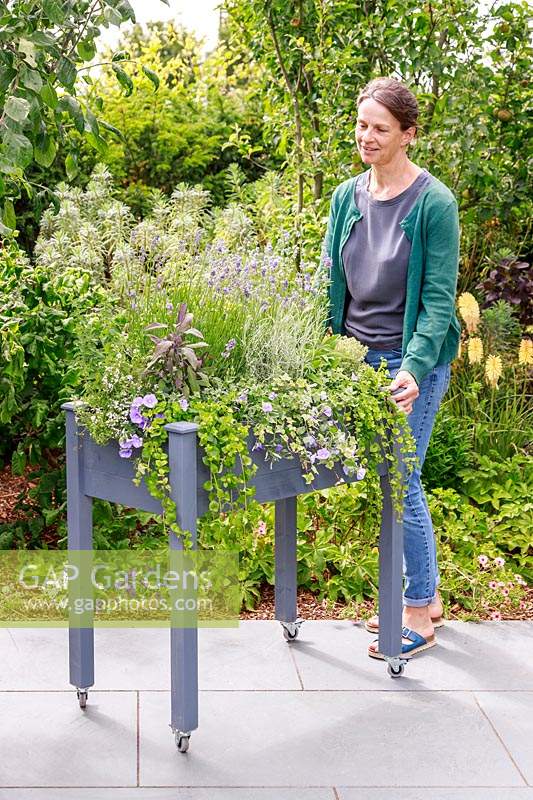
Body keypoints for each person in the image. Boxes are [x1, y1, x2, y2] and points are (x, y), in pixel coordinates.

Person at [322, 76, 462, 659]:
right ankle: (425, 601)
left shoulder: (434, 203)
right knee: (394, 480)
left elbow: (436, 302)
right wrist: (327, 351)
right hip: (357, 361)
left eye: (381, 128)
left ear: (408, 134)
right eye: (361, 125)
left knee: (399, 482)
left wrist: (411, 367)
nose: (367, 137)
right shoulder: (345, 197)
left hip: (412, 366)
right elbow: (333, 283)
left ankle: (416, 615)